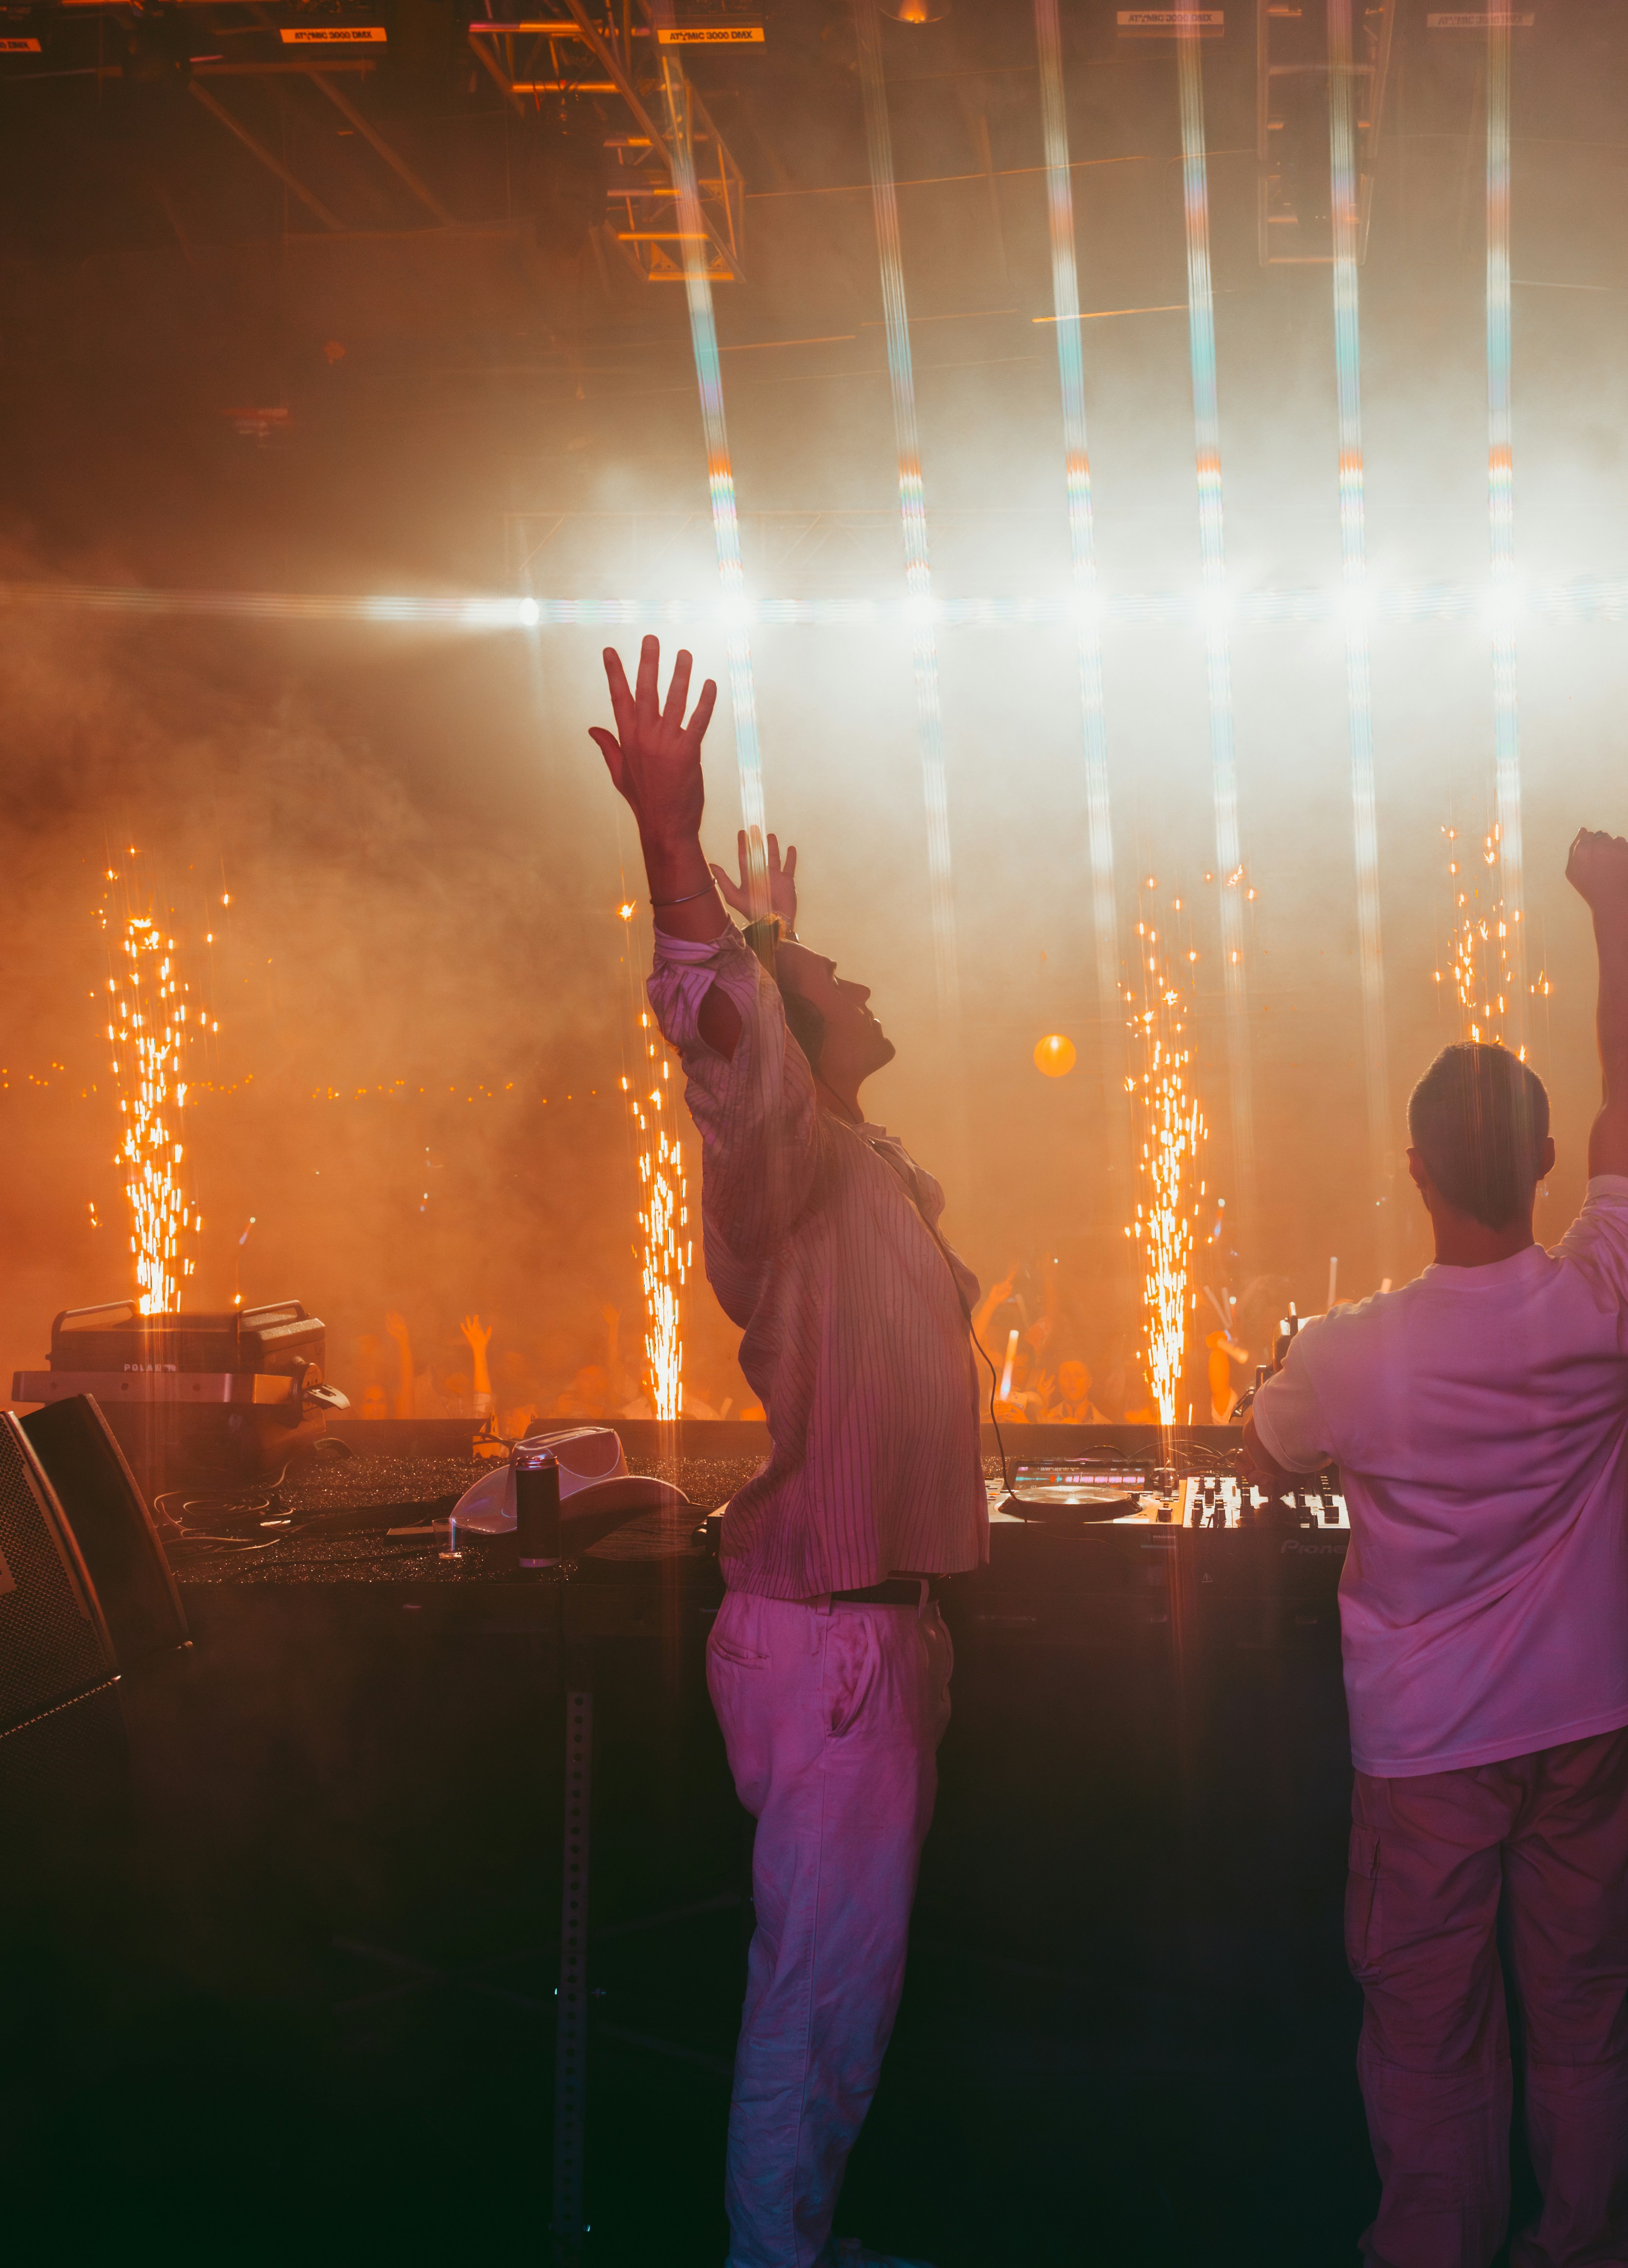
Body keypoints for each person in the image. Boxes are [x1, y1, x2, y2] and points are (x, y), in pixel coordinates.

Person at [593, 637, 979, 2268]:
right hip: (831, 1649)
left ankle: (798, 2248)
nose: (871, 987)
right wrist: (674, 862)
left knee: (845, 2005)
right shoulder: (785, 1167)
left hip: (872, 1638)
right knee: (813, 2016)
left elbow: (762, 1027)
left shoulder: (865, 1170)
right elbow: (729, 1060)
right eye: (844, 985)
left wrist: (771, 936)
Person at [1243, 828, 1628, 2268]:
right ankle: (1587, 2247)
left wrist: (1273, 1374)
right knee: (1583, 2011)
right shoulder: (1610, 1296)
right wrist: (1612, 914)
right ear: (1549, 1161)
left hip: (1429, 1749)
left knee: (1431, 2038)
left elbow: (1270, 1441)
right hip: (1592, 1721)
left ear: (1415, 1166)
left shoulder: (1352, 1352)